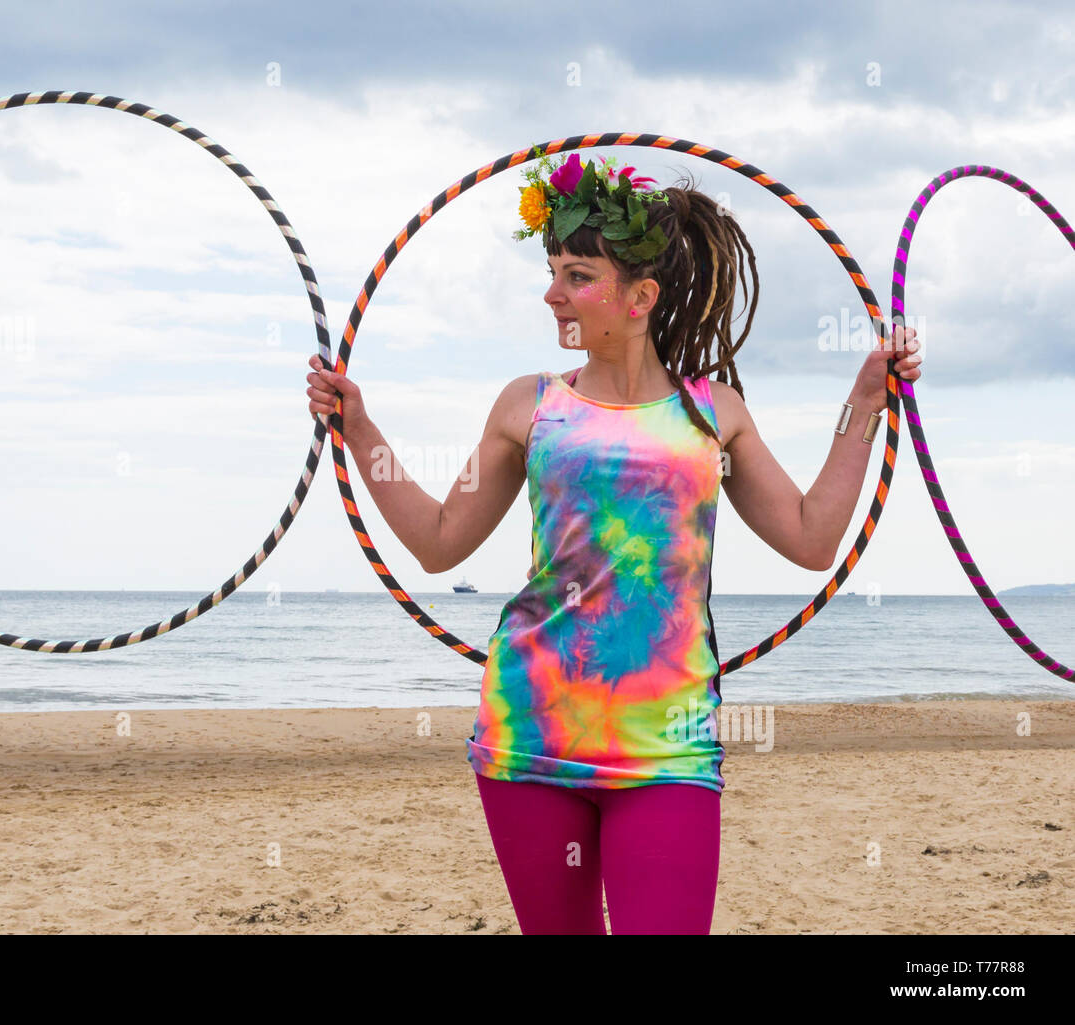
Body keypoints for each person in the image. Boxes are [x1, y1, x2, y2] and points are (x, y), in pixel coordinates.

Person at [305, 151, 922, 934]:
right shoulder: (527, 406)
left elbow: (812, 535)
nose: (553, 293)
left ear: (641, 297)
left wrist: (865, 401)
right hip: (532, 734)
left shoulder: (712, 413)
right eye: (554, 271)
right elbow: (437, 541)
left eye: (577, 275)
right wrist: (357, 427)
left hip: (669, 747)